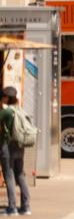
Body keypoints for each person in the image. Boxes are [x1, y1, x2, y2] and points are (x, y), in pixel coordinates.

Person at [0, 87, 29, 215]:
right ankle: (26, 207)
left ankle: (12, 208)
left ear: (6, 97)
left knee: (9, 175)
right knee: (20, 175)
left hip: (8, 146)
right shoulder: (20, 110)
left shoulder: (6, 112)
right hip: (20, 146)